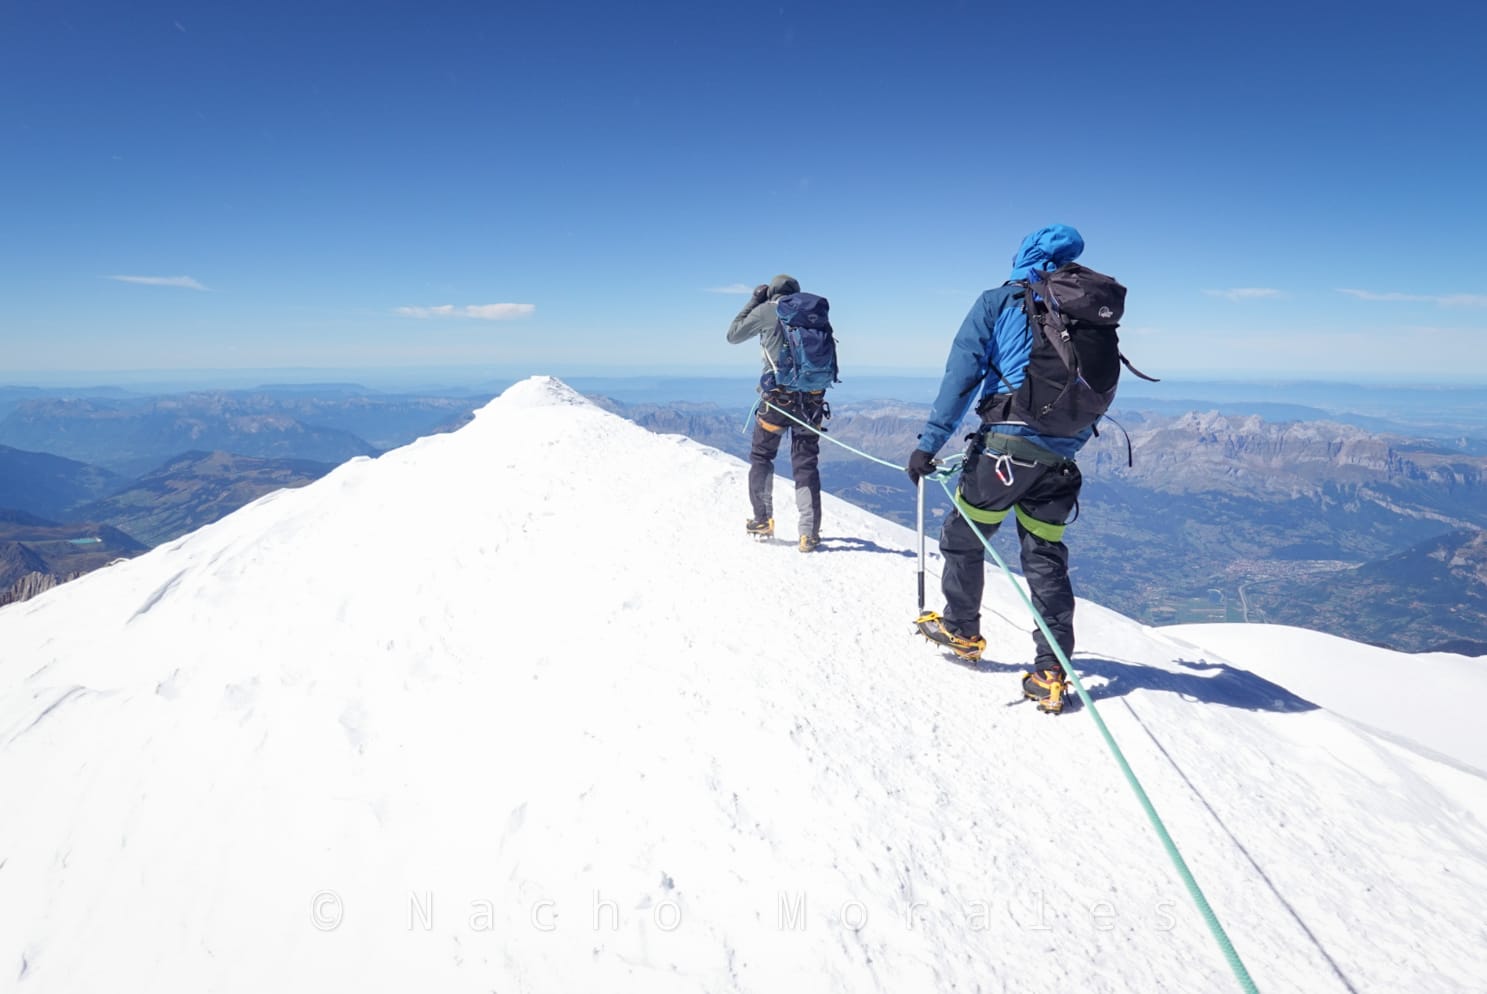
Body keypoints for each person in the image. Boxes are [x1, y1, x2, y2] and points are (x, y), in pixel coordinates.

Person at [906, 224, 1092, 713]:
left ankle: (962, 629)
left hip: (1008, 447)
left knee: (965, 535)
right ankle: (1052, 672)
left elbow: (962, 376)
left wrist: (928, 445)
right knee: (1044, 554)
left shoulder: (1000, 300)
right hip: (1063, 454)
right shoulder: (1084, 307)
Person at [726, 273, 827, 553]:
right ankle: (808, 534)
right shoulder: (812, 314)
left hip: (777, 401)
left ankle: (762, 520)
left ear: (771, 292)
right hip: (812, 403)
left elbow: (732, 335)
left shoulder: (766, 310)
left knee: (762, 456)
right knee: (805, 464)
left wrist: (753, 300)